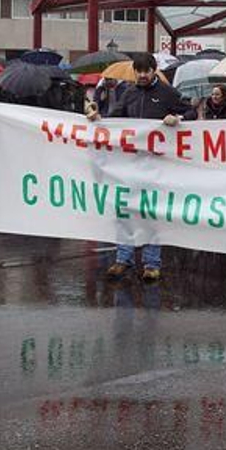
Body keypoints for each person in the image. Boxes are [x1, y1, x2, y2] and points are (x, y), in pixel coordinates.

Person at [88, 52, 187, 283]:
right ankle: (124, 259)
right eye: (138, 71)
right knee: (125, 212)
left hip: (156, 165)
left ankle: (152, 264)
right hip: (129, 165)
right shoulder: (129, 93)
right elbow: (115, 119)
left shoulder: (168, 93)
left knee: (150, 213)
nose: (142, 75)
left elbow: (189, 112)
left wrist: (178, 118)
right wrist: (97, 118)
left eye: (146, 70)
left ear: (154, 71)